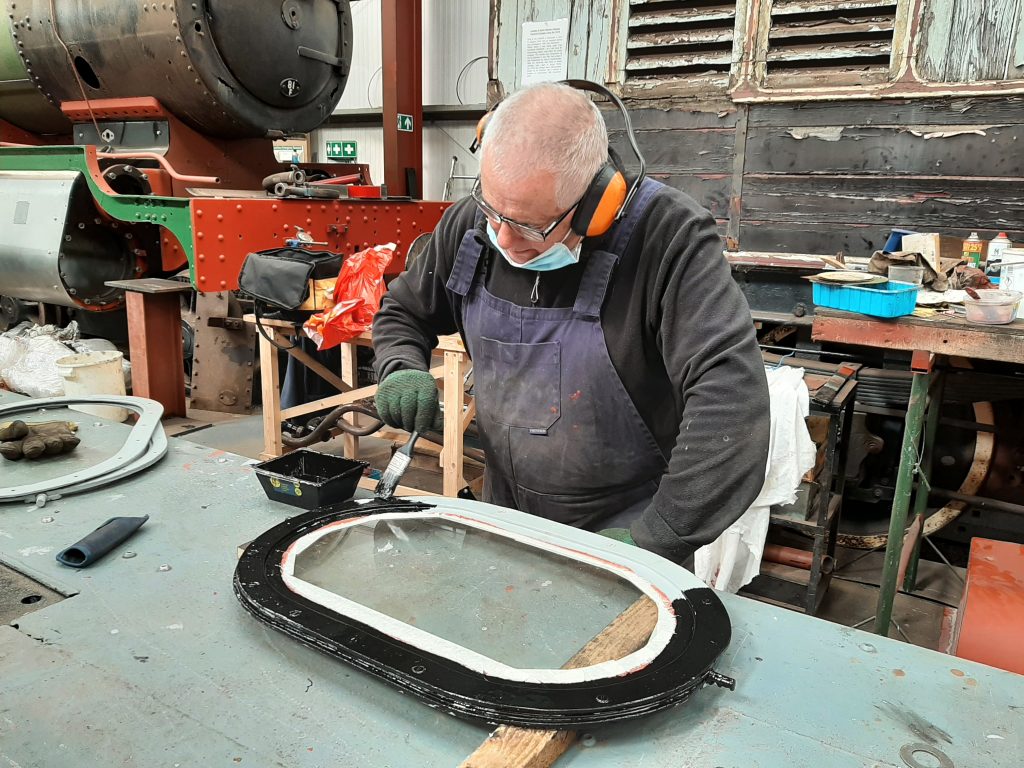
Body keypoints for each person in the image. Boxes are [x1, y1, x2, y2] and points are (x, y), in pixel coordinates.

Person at [372, 82, 769, 564]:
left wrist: (657, 538)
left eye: (530, 227)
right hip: (505, 516)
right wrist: (399, 365)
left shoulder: (669, 239)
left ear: (597, 203)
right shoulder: (474, 230)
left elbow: (732, 399)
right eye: (492, 210)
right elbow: (404, 311)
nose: (504, 240)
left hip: (623, 529)